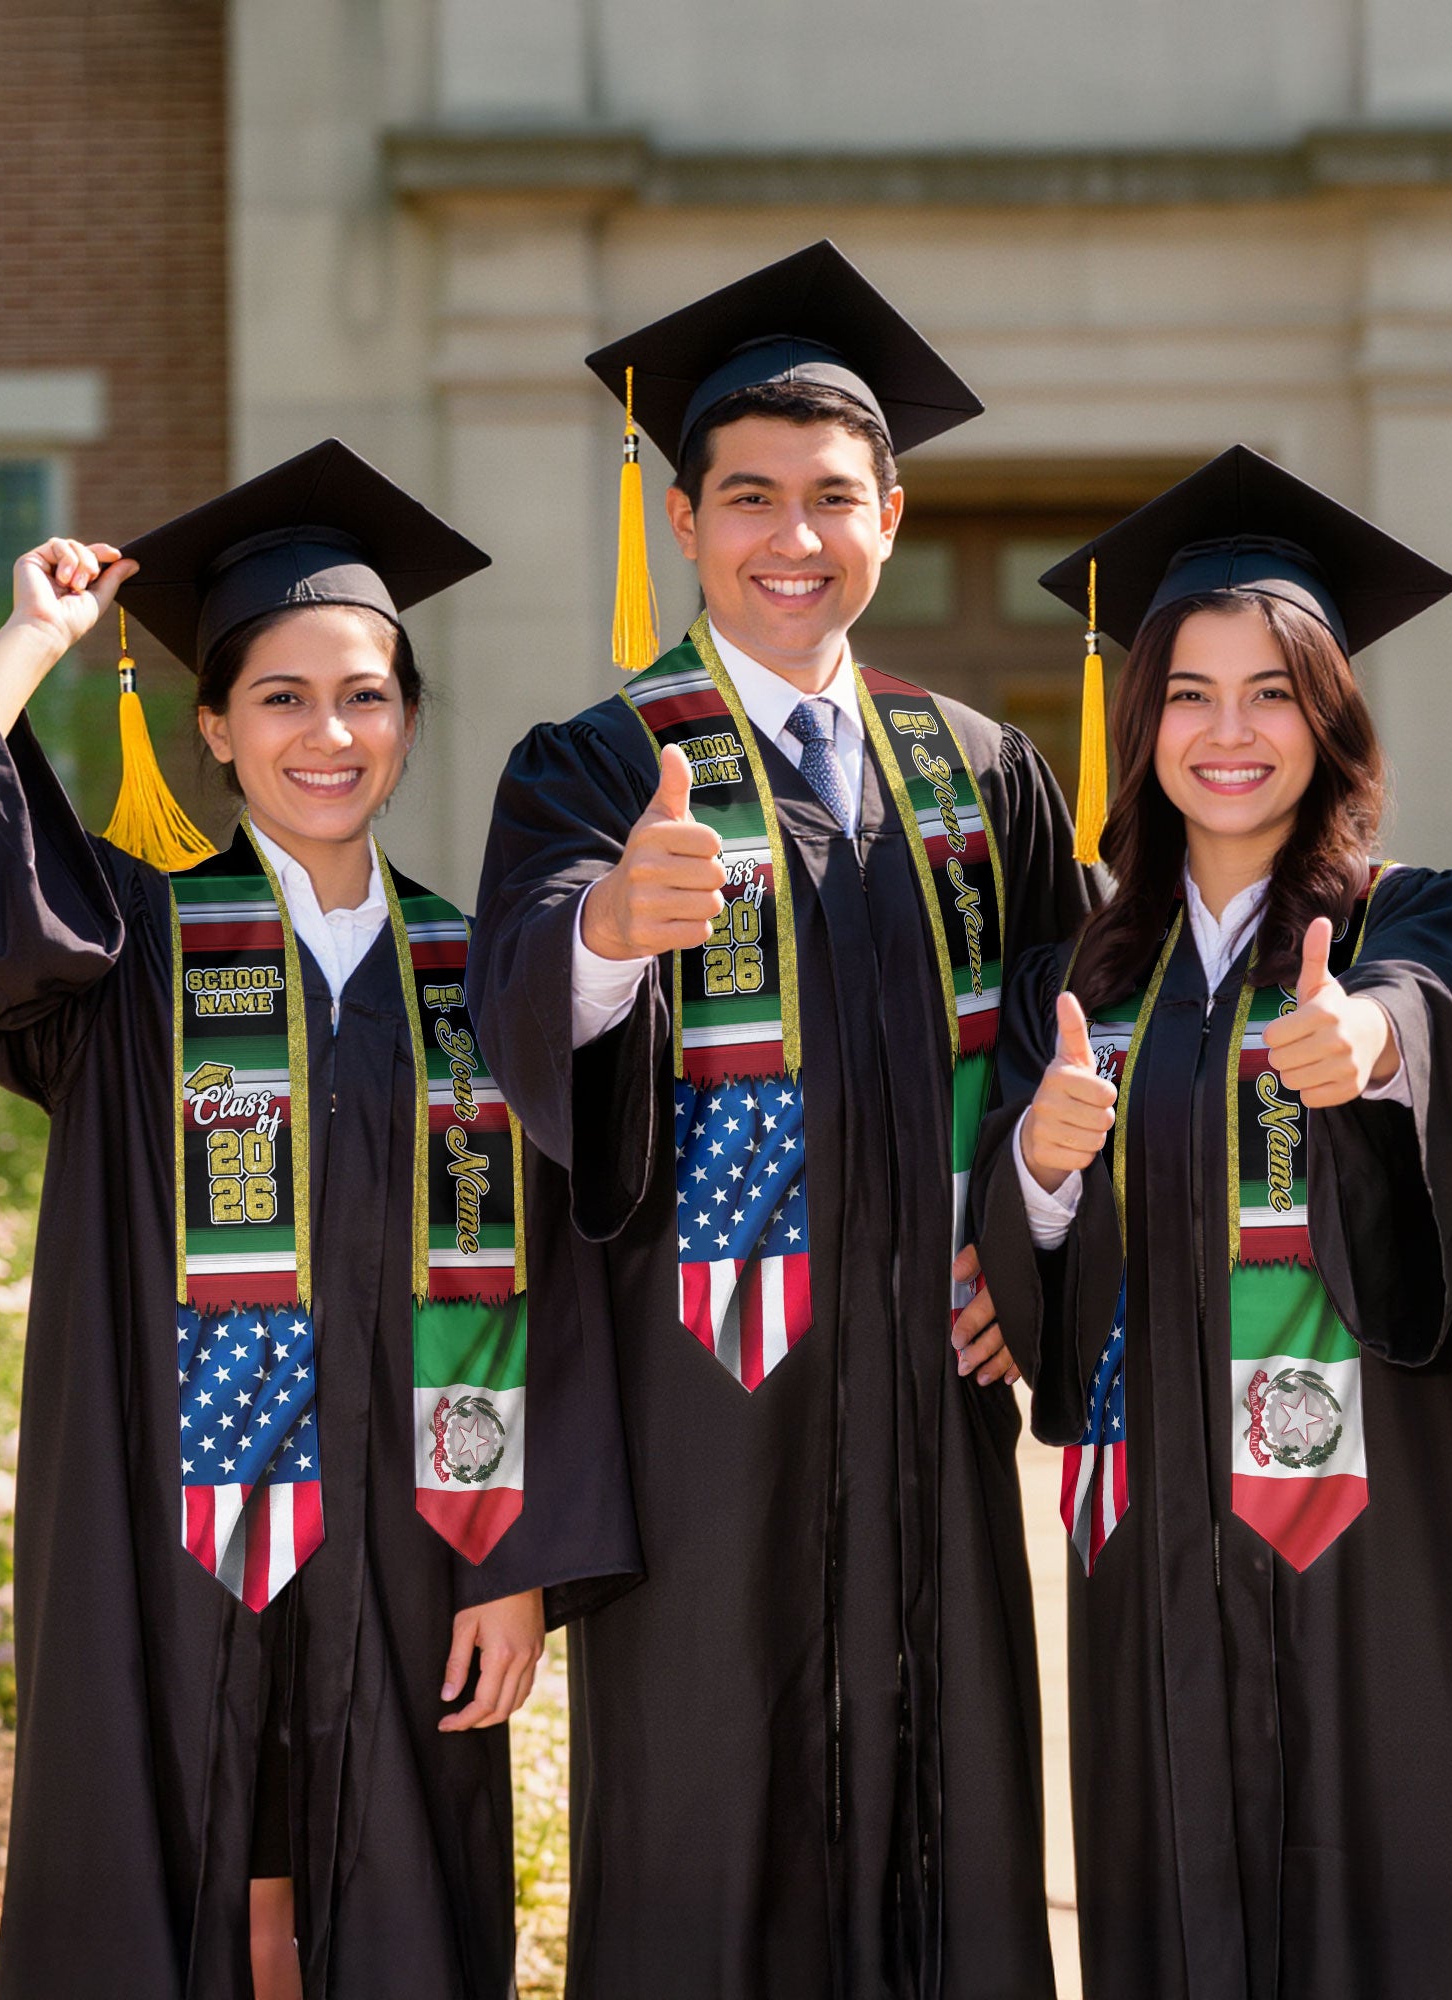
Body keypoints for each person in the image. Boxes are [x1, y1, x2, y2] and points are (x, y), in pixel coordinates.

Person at [468, 241, 1095, 1999]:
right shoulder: (595, 764)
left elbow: (1086, 1041)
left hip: (932, 1402)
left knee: (951, 1823)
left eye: (834, 498)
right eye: (750, 498)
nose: (792, 538)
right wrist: (605, 931)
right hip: (705, 1414)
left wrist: (1031, 1240)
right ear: (684, 521)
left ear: (891, 515)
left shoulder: (980, 770)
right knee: (708, 1838)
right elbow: (516, 1005)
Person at [0, 440, 638, 2000]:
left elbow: (562, 1285)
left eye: (366, 694)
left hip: (421, 1540)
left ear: (408, 719)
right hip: (166, 1533)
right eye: (279, 697)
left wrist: (519, 1558)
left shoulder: (486, 975)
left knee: (397, 1896)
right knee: (173, 1868)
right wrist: (27, 646)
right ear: (212, 725)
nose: (326, 733)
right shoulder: (129, 949)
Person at [972, 446, 1452, 1999]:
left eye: (1274, 692)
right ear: (1141, 721)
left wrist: (1369, 1050)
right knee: (1177, 1883)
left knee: (1399, 1881)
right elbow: (1025, 1255)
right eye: (1190, 694)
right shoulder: (1075, 980)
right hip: (1154, 1517)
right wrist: (1036, 1159)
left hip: (1377, 1522)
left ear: (1331, 717)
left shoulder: (1412, 916)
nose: (1231, 734)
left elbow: (1435, 1026)